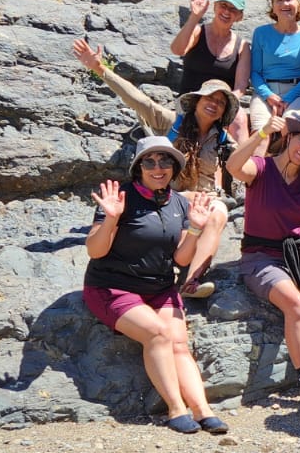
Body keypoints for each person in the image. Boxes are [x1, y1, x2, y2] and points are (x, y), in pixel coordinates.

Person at [83, 137, 227, 435]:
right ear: (139, 167)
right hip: (112, 286)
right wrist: (111, 219)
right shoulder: (121, 198)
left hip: (160, 286)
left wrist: (196, 228)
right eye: (150, 162)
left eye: (165, 162)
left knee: (178, 342)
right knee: (158, 334)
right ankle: (176, 409)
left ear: (174, 167)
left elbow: (180, 257)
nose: (158, 168)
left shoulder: (176, 202)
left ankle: (203, 411)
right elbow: (95, 251)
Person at [73, 39, 232, 298]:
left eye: (221, 103)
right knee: (217, 210)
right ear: (197, 100)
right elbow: (138, 100)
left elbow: (244, 164)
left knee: (217, 211)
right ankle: (190, 279)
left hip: (200, 202)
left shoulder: (223, 140)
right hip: (168, 198)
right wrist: (100, 69)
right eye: (209, 98)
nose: (213, 104)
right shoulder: (172, 123)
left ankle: (192, 280)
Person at [227, 114, 300, 404]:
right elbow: (233, 166)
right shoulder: (261, 169)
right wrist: (261, 134)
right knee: (297, 305)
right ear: (290, 137)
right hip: (261, 257)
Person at [169, 0, 250, 142]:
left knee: (239, 118)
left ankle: (243, 164)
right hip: (190, 100)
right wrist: (194, 16)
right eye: (223, 6)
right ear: (214, 7)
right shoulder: (198, 32)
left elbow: (240, 86)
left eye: (233, 9)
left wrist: (227, 105)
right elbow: (177, 49)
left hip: (219, 103)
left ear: (239, 16)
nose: (227, 12)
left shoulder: (242, 46)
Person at [248, 0, 300, 134]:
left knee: (288, 126)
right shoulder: (261, 33)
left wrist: (288, 97)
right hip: (266, 92)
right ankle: (256, 159)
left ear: (298, 4)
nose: (285, 4)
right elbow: (255, 72)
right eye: (279, 0)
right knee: (260, 132)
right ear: (273, 7)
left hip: (297, 92)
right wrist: (268, 95)